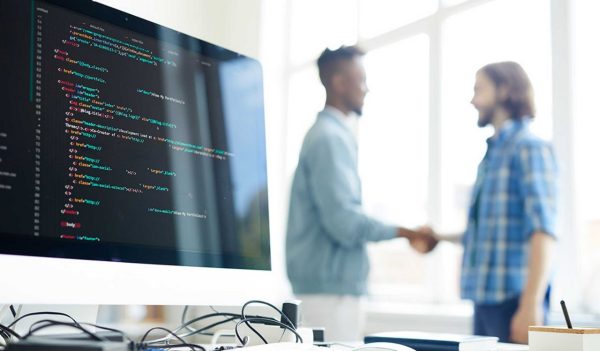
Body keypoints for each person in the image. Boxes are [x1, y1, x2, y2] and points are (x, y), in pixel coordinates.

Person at [285, 46, 436, 342]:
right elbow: (343, 222)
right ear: (340, 83)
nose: (367, 89)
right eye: (361, 79)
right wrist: (406, 232)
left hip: (329, 290)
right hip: (330, 295)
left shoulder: (329, 135)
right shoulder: (329, 138)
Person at [421, 61, 558, 344]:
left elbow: (543, 231)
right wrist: (437, 237)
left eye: (479, 90)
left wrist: (530, 306)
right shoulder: (491, 155)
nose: (473, 100)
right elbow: (485, 232)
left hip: (514, 302)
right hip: (485, 300)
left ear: (505, 90)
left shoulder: (529, 148)